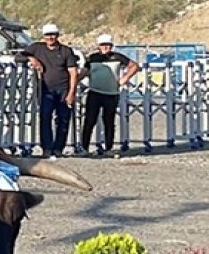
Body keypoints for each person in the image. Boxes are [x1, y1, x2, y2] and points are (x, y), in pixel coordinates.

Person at [15, 23, 79, 159]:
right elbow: (18, 57)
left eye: (53, 35)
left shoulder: (66, 51)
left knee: (63, 119)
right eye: (48, 35)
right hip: (45, 89)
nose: (50, 37)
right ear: (43, 36)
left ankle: (58, 148)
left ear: (57, 35)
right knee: (45, 117)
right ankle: (47, 148)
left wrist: (71, 93)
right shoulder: (36, 48)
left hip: (63, 88)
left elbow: (73, 72)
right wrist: (32, 58)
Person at [77, 34, 138, 158]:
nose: (105, 47)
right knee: (89, 120)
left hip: (111, 93)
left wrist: (124, 78)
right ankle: (84, 147)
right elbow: (85, 71)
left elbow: (134, 66)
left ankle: (108, 148)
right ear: (98, 46)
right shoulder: (92, 58)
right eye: (103, 45)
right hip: (94, 92)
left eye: (108, 45)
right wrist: (74, 81)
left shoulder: (118, 57)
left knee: (109, 121)